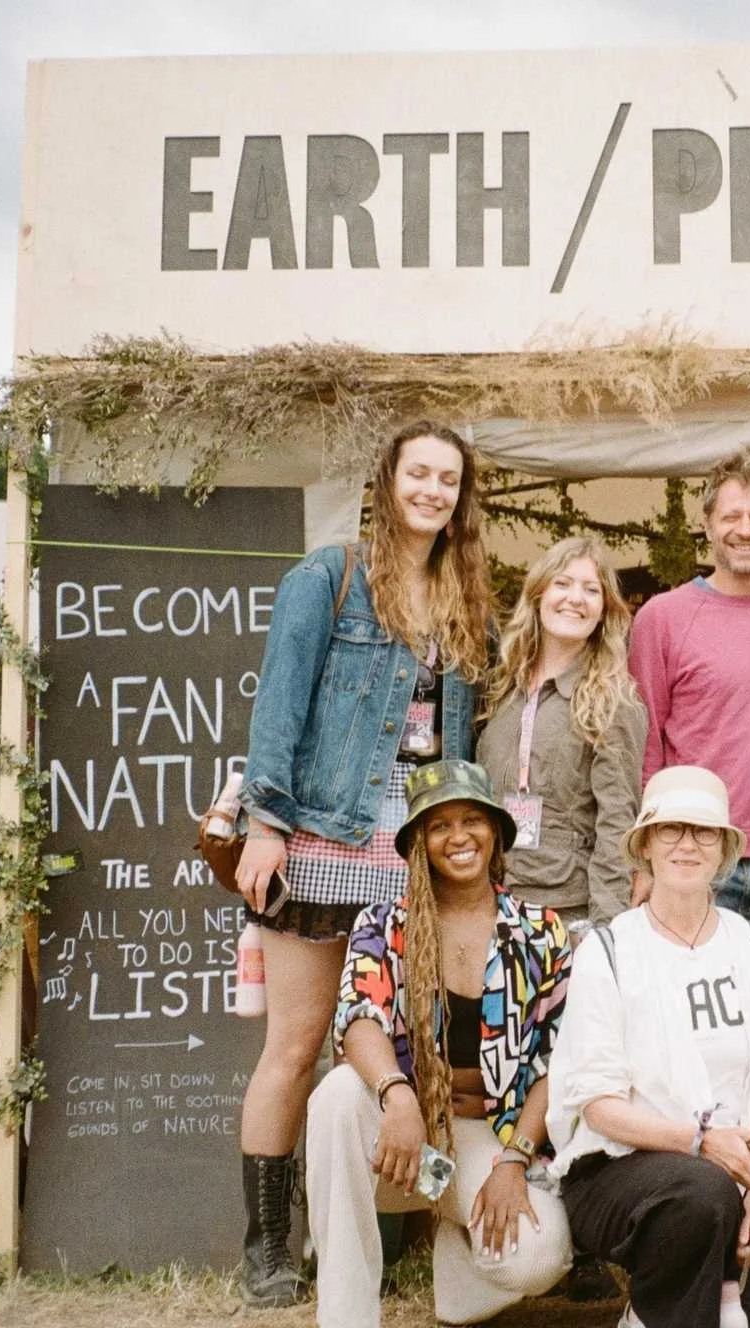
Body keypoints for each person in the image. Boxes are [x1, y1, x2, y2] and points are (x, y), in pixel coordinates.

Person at [233, 420, 493, 1307]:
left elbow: (454, 744)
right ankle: (268, 1249)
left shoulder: (461, 598)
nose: (432, 490)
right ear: (388, 482)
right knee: (298, 1045)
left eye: (447, 480)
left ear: (461, 499)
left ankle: (370, 1242)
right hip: (320, 841)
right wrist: (263, 822)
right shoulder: (328, 577)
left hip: (409, 857)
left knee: (389, 1051)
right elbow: (280, 701)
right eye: (417, 473)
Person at [306, 760, 574, 1328]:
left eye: (472, 819)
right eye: (438, 824)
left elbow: (560, 1058)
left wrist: (513, 1161)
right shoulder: (384, 925)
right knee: (334, 1097)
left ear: (496, 831)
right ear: (417, 844)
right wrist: (397, 1096)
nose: (458, 837)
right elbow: (358, 1016)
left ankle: (461, 1267)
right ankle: (346, 1316)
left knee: (538, 1253)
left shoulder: (539, 932)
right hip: (404, 1145)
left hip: (487, 1139)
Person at [549, 766, 750, 1328]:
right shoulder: (610, 949)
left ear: (724, 850)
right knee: (702, 1190)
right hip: (619, 1169)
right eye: (671, 829)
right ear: (645, 843)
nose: (688, 844)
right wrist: (703, 1144)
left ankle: (666, 1306)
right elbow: (598, 1103)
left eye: (705, 832)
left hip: (742, 1177)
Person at [628, 448, 750, 932]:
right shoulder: (662, 617)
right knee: (692, 1005)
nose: (745, 529)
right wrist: (643, 859)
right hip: (697, 851)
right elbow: (643, 746)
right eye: (731, 516)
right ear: (707, 524)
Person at [480, 535, 648, 926]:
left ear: (604, 610)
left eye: (591, 590)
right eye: (563, 583)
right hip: (489, 900)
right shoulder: (500, 689)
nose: (576, 597)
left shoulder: (613, 699)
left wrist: (605, 932)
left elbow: (617, 822)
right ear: (538, 595)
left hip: (567, 911)